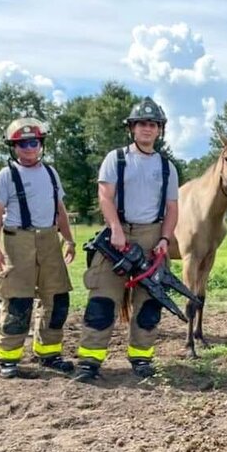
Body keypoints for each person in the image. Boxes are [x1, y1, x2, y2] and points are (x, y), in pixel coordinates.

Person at [74, 97, 179, 382]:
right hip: (116, 237)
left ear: (159, 130)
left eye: (153, 124)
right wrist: (116, 228)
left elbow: (172, 208)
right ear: (132, 128)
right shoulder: (116, 159)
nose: (147, 128)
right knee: (102, 300)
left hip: (152, 236)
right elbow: (105, 196)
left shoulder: (167, 167)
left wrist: (165, 239)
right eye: (142, 123)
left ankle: (141, 358)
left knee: (150, 304)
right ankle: (90, 361)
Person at [0, 117, 77, 379]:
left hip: (49, 240)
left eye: (33, 142)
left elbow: (60, 209)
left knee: (57, 299)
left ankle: (48, 353)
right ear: (13, 147)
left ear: (41, 144)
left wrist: (68, 239)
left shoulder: (50, 173)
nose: (29, 148)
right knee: (18, 301)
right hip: (19, 241)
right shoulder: (6, 176)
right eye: (23, 144)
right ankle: (8, 359)